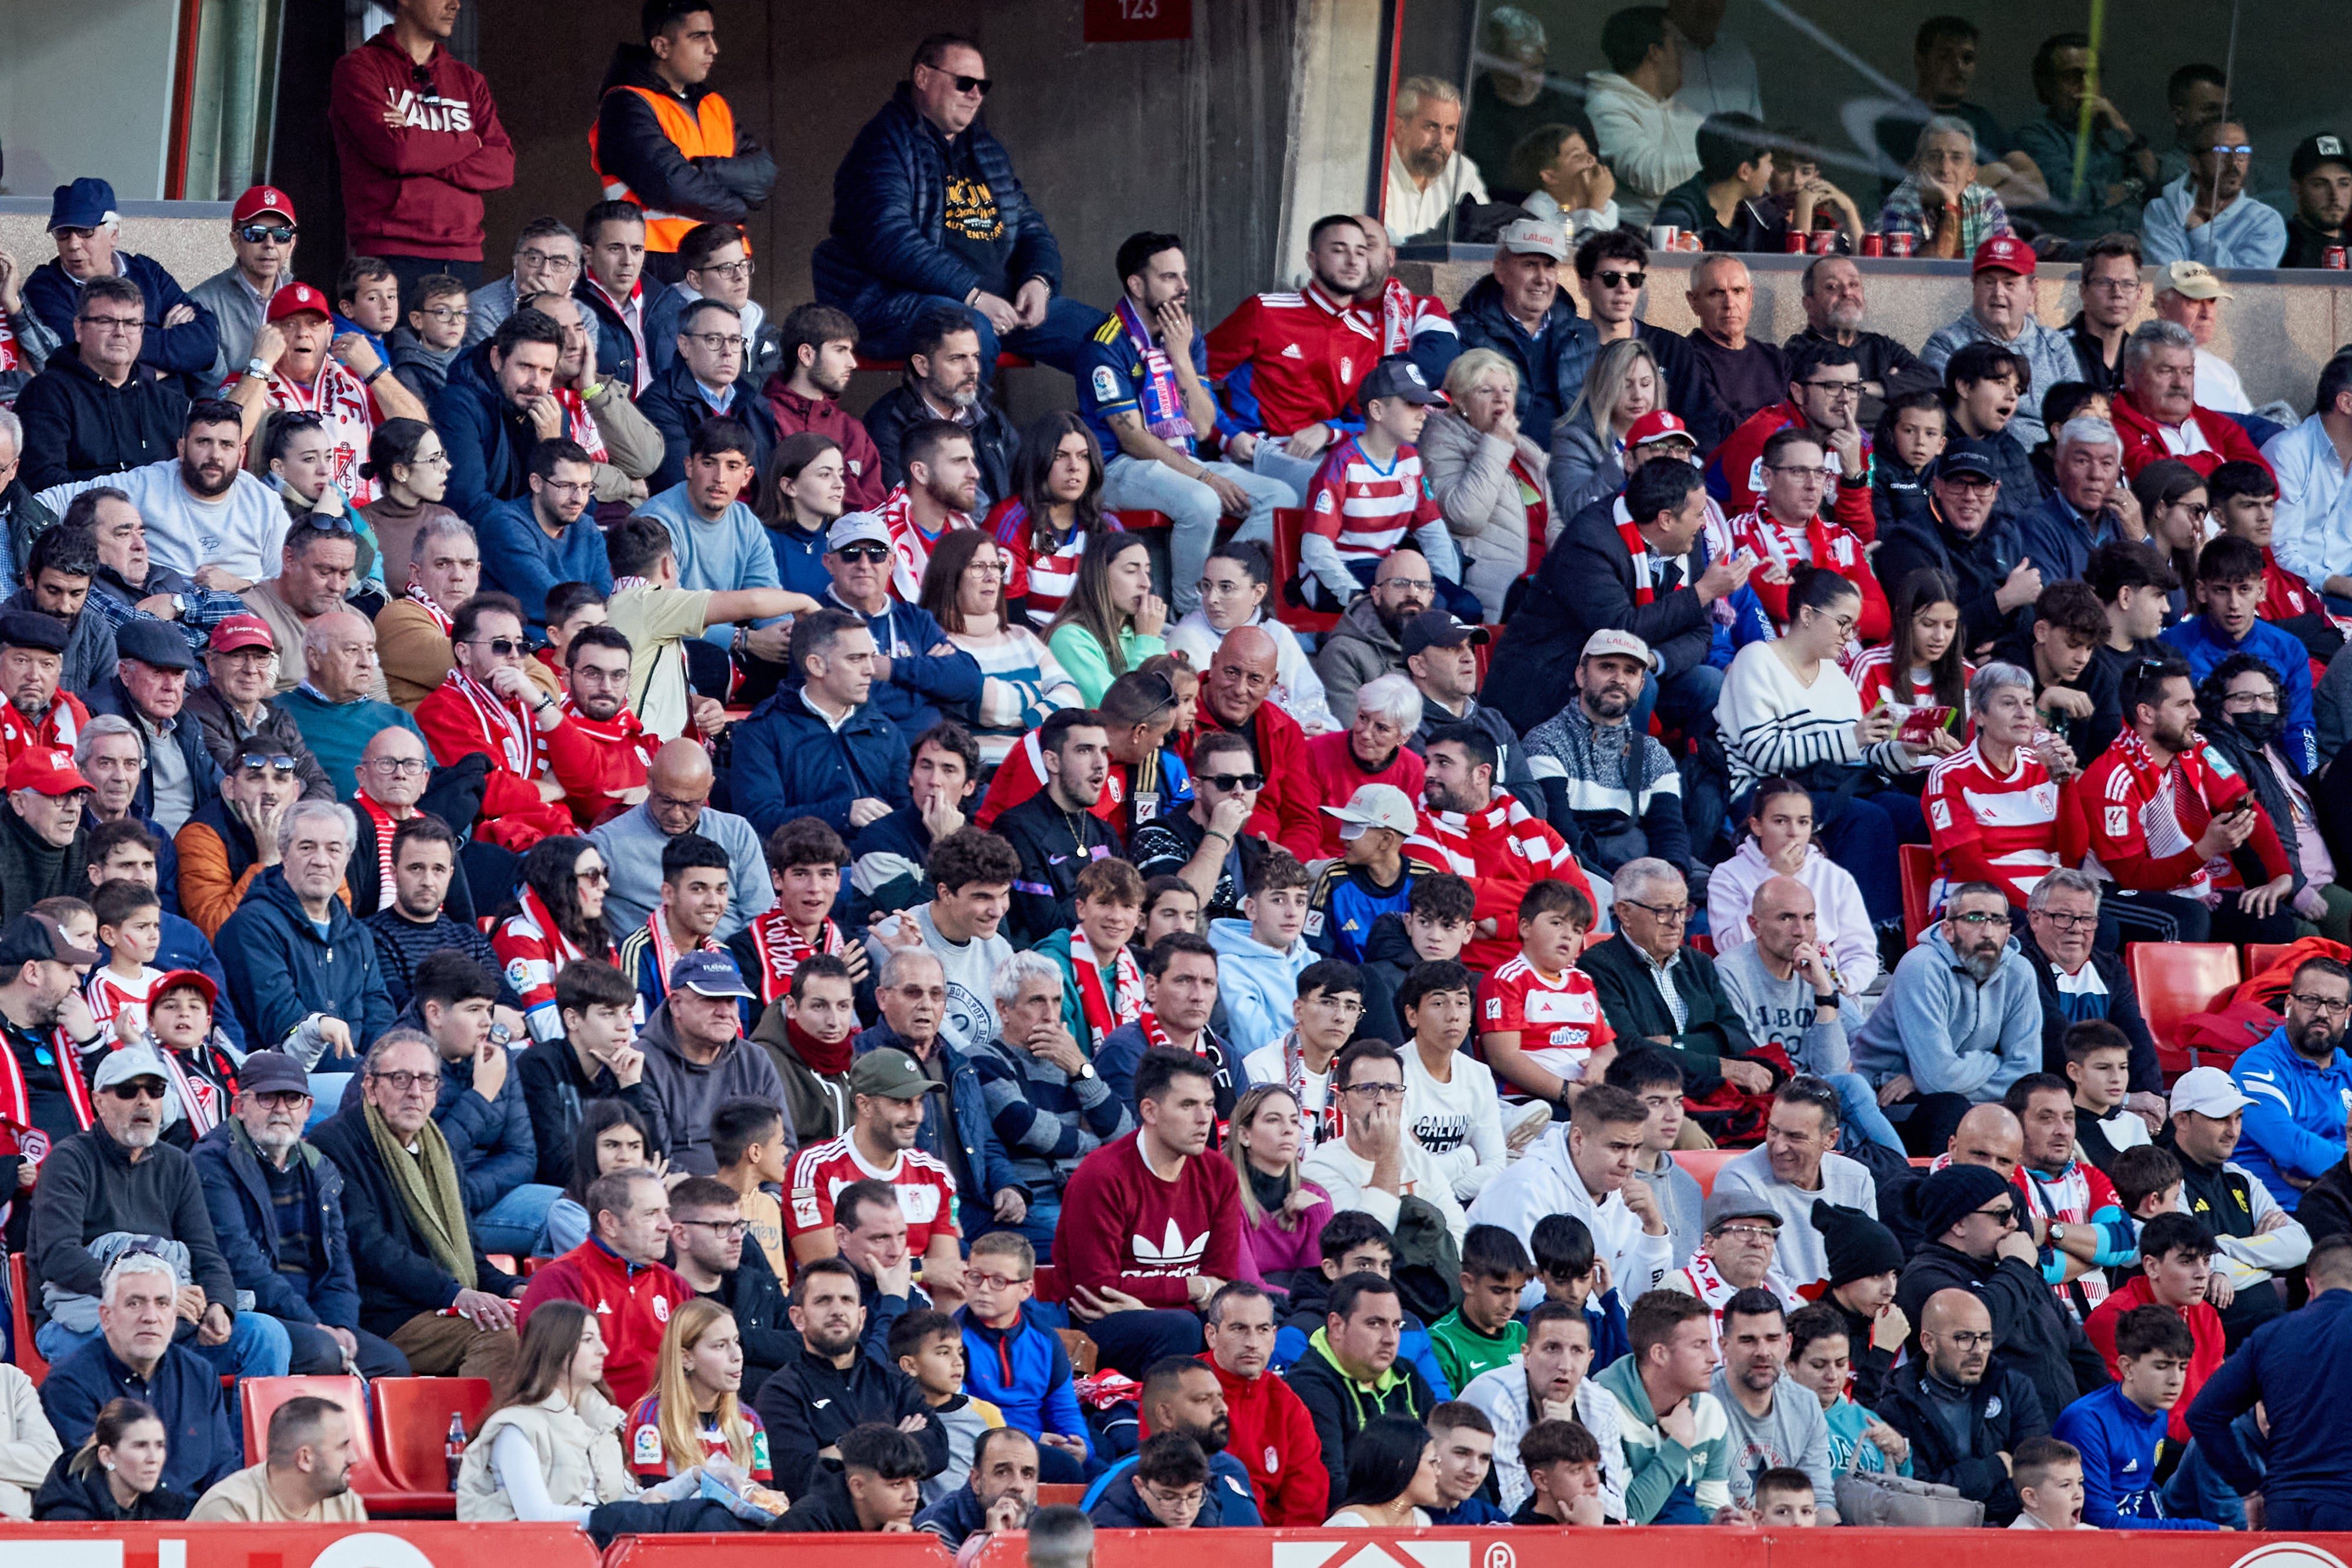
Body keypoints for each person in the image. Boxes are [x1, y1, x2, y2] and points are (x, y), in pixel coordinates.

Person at [817, 26, 1107, 365]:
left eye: (983, 86)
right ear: (923, 77)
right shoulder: (883, 144)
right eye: (964, 83)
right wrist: (972, 296)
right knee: (968, 337)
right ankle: (962, 422)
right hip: (900, 304)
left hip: (996, 304)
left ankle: (1125, 420)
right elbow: (890, 239)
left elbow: (1031, 228)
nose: (976, 95)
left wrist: (1039, 282)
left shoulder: (985, 149)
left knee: (1111, 342)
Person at [26, 1042, 286, 1378]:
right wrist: (154, 1296)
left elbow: (206, 1252)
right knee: (138, 1346)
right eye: (127, 1091)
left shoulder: (177, 1163)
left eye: (155, 1090)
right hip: (81, 1318)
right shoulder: (69, 1160)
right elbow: (59, 1255)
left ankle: (228, 1434)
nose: (144, 1101)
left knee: (266, 1336)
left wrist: (220, 1305)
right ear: (99, 1102)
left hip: (165, 1318)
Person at [191, 1051, 408, 1379]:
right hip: (253, 1311)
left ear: (307, 1109)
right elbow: (239, 1260)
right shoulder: (212, 1161)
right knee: (322, 1352)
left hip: (312, 1315)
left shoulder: (320, 1166)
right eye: (267, 1098)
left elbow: (338, 1263)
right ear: (239, 1106)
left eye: (292, 1099)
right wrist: (315, 1325)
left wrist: (340, 1324)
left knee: (391, 1366)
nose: (281, 1109)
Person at [2080, 653, 2297, 947]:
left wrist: (2281, 875)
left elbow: (2242, 800)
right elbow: (2134, 877)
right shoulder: (2111, 781)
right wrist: (2205, 849)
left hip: (2189, 882)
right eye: (2183, 705)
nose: (2196, 714)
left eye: (2193, 702)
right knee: (2188, 918)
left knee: (2271, 920)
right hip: (2113, 892)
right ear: (2146, 714)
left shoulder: (2199, 748)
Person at [326, 0, 512, 304]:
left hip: (464, 258)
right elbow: (398, 153)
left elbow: (502, 167)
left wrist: (419, 145)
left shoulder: (470, 81)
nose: (456, 4)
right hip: (390, 257)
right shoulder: (359, 69)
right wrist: (468, 142)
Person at [39, 1253, 240, 1505]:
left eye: (163, 1303)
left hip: (200, 1529)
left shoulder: (200, 1375)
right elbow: (93, 1485)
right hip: (117, 1533)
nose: (150, 1316)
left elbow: (222, 1469)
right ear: (106, 1317)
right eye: (135, 1303)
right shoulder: (69, 1384)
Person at [974, 950, 1135, 1252]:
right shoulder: (984, 1058)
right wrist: (1096, 1145)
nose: (1050, 1014)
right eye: (1037, 1001)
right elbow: (1023, 1124)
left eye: (1057, 1001)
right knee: (1079, 1244)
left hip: (1088, 1193)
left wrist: (1081, 1069)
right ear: (1003, 1009)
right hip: (1033, 1198)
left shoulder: (1069, 1060)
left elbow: (1125, 1134)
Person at [24, 179, 216, 397]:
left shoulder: (147, 271)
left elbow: (206, 344)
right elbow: (82, 360)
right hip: (103, 411)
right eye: (63, 232)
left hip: (171, 411)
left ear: (113, 234)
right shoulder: (45, 287)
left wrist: (115, 348)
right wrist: (165, 351)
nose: (73, 244)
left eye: (85, 231)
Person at [1878, 1286, 2049, 1524]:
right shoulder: (1898, 1403)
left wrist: (1965, 1493)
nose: (1978, 1351)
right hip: (1935, 1538)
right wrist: (1993, 1468)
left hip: (2012, 1529)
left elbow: (2037, 1477)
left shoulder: (2014, 1388)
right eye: (1964, 1338)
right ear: (1928, 1342)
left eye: (1986, 1338)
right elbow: (1918, 1497)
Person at [15, 272, 192, 499]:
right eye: (107, 321)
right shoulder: (45, 395)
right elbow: (42, 483)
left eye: (131, 323)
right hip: (78, 529)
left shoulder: (171, 404)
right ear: (79, 329)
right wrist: (134, 490)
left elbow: (194, 478)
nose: (120, 332)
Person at [863, 827, 1017, 1058]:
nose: (997, 911)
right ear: (945, 893)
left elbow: (1007, 1035)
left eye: (1003, 895)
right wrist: (909, 956)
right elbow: (930, 1035)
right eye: (983, 897)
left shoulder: (999, 948)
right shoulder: (896, 937)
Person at [1712, 1079, 1881, 1288]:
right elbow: (1762, 1283)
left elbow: (1869, 1267)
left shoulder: (1858, 1179)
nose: (1779, 1147)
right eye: (1773, 1131)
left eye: (1795, 1137)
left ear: (1830, 1139)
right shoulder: (1740, 1179)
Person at [1446, 220, 1597, 453]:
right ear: (1500, 270)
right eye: (1530, 265)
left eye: (1549, 266)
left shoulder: (1583, 335)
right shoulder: (1463, 332)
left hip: (1571, 468)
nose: (1541, 278)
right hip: (1498, 466)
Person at [1916, 239, 2079, 451]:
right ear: (1974, 285)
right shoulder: (1945, 345)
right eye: (1989, 282)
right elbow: (1945, 423)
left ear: (2032, 290)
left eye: (2009, 283)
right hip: (1983, 462)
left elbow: (2079, 416)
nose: (1998, 292)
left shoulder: (2055, 345)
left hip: (2053, 464)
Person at [1587, 1288, 1729, 1523]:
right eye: (1699, 1345)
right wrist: (1679, 1444)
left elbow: (1712, 1504)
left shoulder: (1710, 1411)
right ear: (1660, 1354)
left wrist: (1722, 1520)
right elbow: (1626, 1517)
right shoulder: (1602, 1409)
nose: (1714, 1357)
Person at [1581, 7, 1700, 230]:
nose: (1685, 56)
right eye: (1677, 45)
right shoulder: (1606, 104)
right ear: (1655, 52)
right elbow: (1649, 175)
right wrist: (1719, 162)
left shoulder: (1680, 109)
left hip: (1692, 234)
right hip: (1639, 239)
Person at [2112, 319, 2270, 480]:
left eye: (2187, 372)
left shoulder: (2218, 425)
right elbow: (2151, 474)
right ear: (2131, 378)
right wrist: (2217, 461)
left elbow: (2263, 479)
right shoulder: (2112, 426)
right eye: (2166, 371)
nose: (2180, 383)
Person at [764, 303, 885, 512]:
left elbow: (875, 511)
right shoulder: (761, 416)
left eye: (851, 351)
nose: (852, 363)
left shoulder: (853, 430)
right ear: (807, 355)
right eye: (840, 350)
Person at [189, 1395, 366, 1524]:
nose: (354, 1458)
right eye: (342, 1447)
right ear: (305, 1458)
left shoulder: (346, 1504)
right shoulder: (230, 1510)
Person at [1784, 1302, 1912, 1476]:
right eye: (1818, 1365)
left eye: (1841, 1363)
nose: (1832, 1375)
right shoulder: (1774, 1421)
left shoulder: (1867, 1420)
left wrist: (1900, 1457)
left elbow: (1900, 1496)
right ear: (1789, 1364)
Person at [2143, 120, 2284, 270]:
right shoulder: (2164, 211)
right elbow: (2169, 280)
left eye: (2242, 152)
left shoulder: (2264, 221)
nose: (2234, 163)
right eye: (2221, 152)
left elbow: (2244, 286)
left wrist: (2200, 232)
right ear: (2194, 163)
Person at [31, 1397, 188, 1523]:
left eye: (160, 1446)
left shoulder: (164, 1507)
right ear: (107, 1456)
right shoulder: (68, 1516)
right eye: (140, 1446)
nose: (153, 1458)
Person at [1880, 119, 2015, 260]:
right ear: (1919, 166)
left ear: (1972, 173)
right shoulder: (1902, 203)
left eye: (1956, 158)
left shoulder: (1985, 200)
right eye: (1934, 157)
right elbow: (1924, 271)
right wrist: (1950, 205)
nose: (1944, 169)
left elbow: (2004, 262)